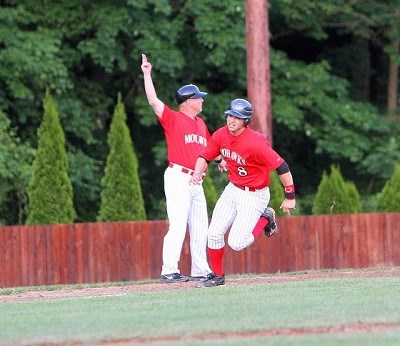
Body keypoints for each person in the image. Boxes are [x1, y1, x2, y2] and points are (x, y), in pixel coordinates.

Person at [190, 98, 296, 288]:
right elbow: (204, 156)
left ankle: (266, 217)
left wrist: (290, 197)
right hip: (233, 189)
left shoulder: (255, 143)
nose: (231, 120)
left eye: (237, 117)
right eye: (230, 115)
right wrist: (198, 172)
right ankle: (218, 276)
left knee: (236, 243)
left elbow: (282, 166)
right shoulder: (221, 135)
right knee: (213, 233)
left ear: (245, 121)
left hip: (255, 194)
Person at [141, 53, 219, 283]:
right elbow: (153, 101)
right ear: (188, 101)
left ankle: (199, 269)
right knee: (178, 224)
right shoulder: (173, 118)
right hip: (178, 176)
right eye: (199, 97)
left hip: (197, 181)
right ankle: (169, 269)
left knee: (200, 226)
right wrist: (147, 74)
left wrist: (219, 160)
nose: (202, 100)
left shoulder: (200, 123)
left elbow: (209, 148)